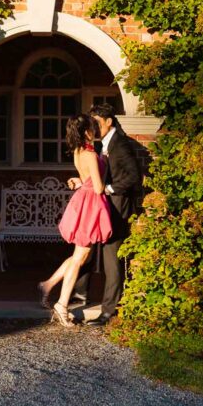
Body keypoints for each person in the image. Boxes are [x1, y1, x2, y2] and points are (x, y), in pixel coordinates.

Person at [37, 114, 113, 327]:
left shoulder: (79, 152)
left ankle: (47, 285)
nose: (95, 130)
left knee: (79, 255)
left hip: (83, 201)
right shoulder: (90, 154)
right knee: (80, 257)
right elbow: (98, 187)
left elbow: (87, 180)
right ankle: (61, 305)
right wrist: (105, 165)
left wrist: (82, 181)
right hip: (90, 204)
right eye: (92, 127)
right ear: (87, 131)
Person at [74, 104, 142, 326]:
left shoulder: (120, 145)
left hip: (116, 208)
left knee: (111, 260)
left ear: (109, 121)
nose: (93, 127)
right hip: (98, 206)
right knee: (85, 249)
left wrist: (109, 189)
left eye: (97, 123)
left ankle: (108, 311)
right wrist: (81, 182)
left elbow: (133, 176)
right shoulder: (99, 145)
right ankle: (79, 296)